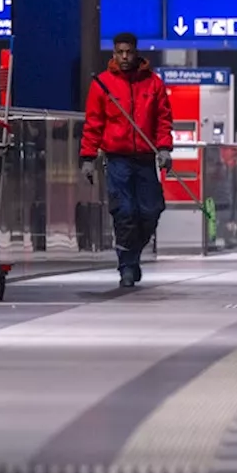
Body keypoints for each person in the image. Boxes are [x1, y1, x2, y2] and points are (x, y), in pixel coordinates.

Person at [79, 31, 173, 288]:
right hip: (117, 159)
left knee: (152, 210)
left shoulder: (153, 84)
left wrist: (164, 148)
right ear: (113, 53)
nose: (124, 56)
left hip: (145, 159)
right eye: (120, 52)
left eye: (128, 52)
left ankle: (133, 254)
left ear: (136, 52)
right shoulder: (102, 84)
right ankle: (127, 266)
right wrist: (88, 157)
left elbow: (163, 120)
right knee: (125, 212)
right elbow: (93, 124)